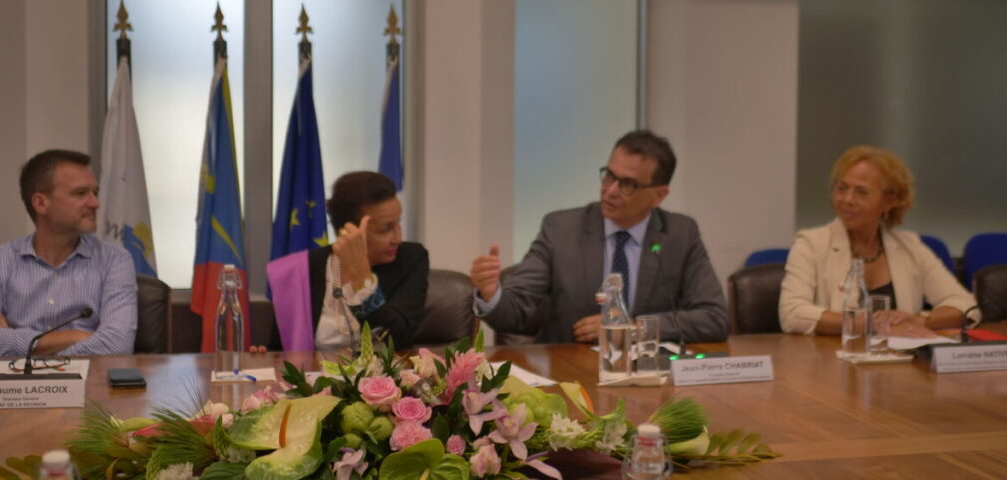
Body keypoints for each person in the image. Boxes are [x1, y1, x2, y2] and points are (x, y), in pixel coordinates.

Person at [470, 130, 729, 344]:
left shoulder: (680, 234)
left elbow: (714, 318)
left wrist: (631, 328)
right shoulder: (561, 229)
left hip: (650, 372)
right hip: (570, 371)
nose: (611, 190)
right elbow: (515, 311)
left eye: (627, 184)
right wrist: (491, 294)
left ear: (659, 195)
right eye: (609, 176)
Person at [779, 146, 978, 337]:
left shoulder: (909, 246)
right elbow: (792, 313)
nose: (847, 199)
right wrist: (871, 324)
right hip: (833, 356)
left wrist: (919, 320)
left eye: (861, 192)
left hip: (900, 356)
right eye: (842, 188)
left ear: (890, 201)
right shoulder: (810, 244)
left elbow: (967, 305)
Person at [0, 149, 137, 357]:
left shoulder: (115, 260)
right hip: (13, 380)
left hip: (90, 378)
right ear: (41, 203)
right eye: (80, 193)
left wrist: (14, 346)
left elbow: (118, 345)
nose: (95, 203)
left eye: (95, 193)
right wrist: (76, 336)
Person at [267, 171, 428, 351]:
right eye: (385, 229)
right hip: (314, 369)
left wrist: (362, 279)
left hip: (384, 369)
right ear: (349, 231)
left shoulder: (411, 259)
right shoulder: (300, 270)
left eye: (398, 223)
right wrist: (261, 354)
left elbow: (400, 339)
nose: (397, 238)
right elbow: (279, 350)